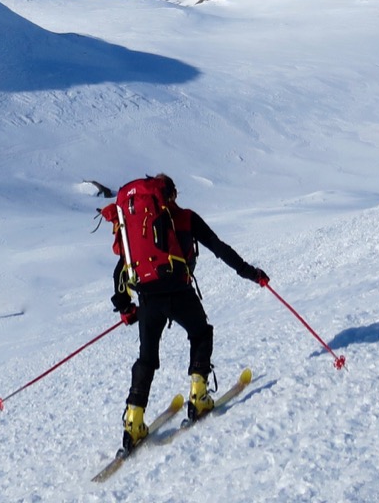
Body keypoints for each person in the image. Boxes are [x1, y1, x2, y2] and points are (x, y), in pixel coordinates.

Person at [108, 173, 267, 449]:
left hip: (147, 298)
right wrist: (252, 274)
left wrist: (125, 308)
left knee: (146, 359)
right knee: (201, 333)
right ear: (170, 195)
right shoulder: (186, 218)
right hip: (179, 292)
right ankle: (199, 393)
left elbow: (121, 269)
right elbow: (220, 249)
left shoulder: (138, 229)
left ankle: (133, 420)